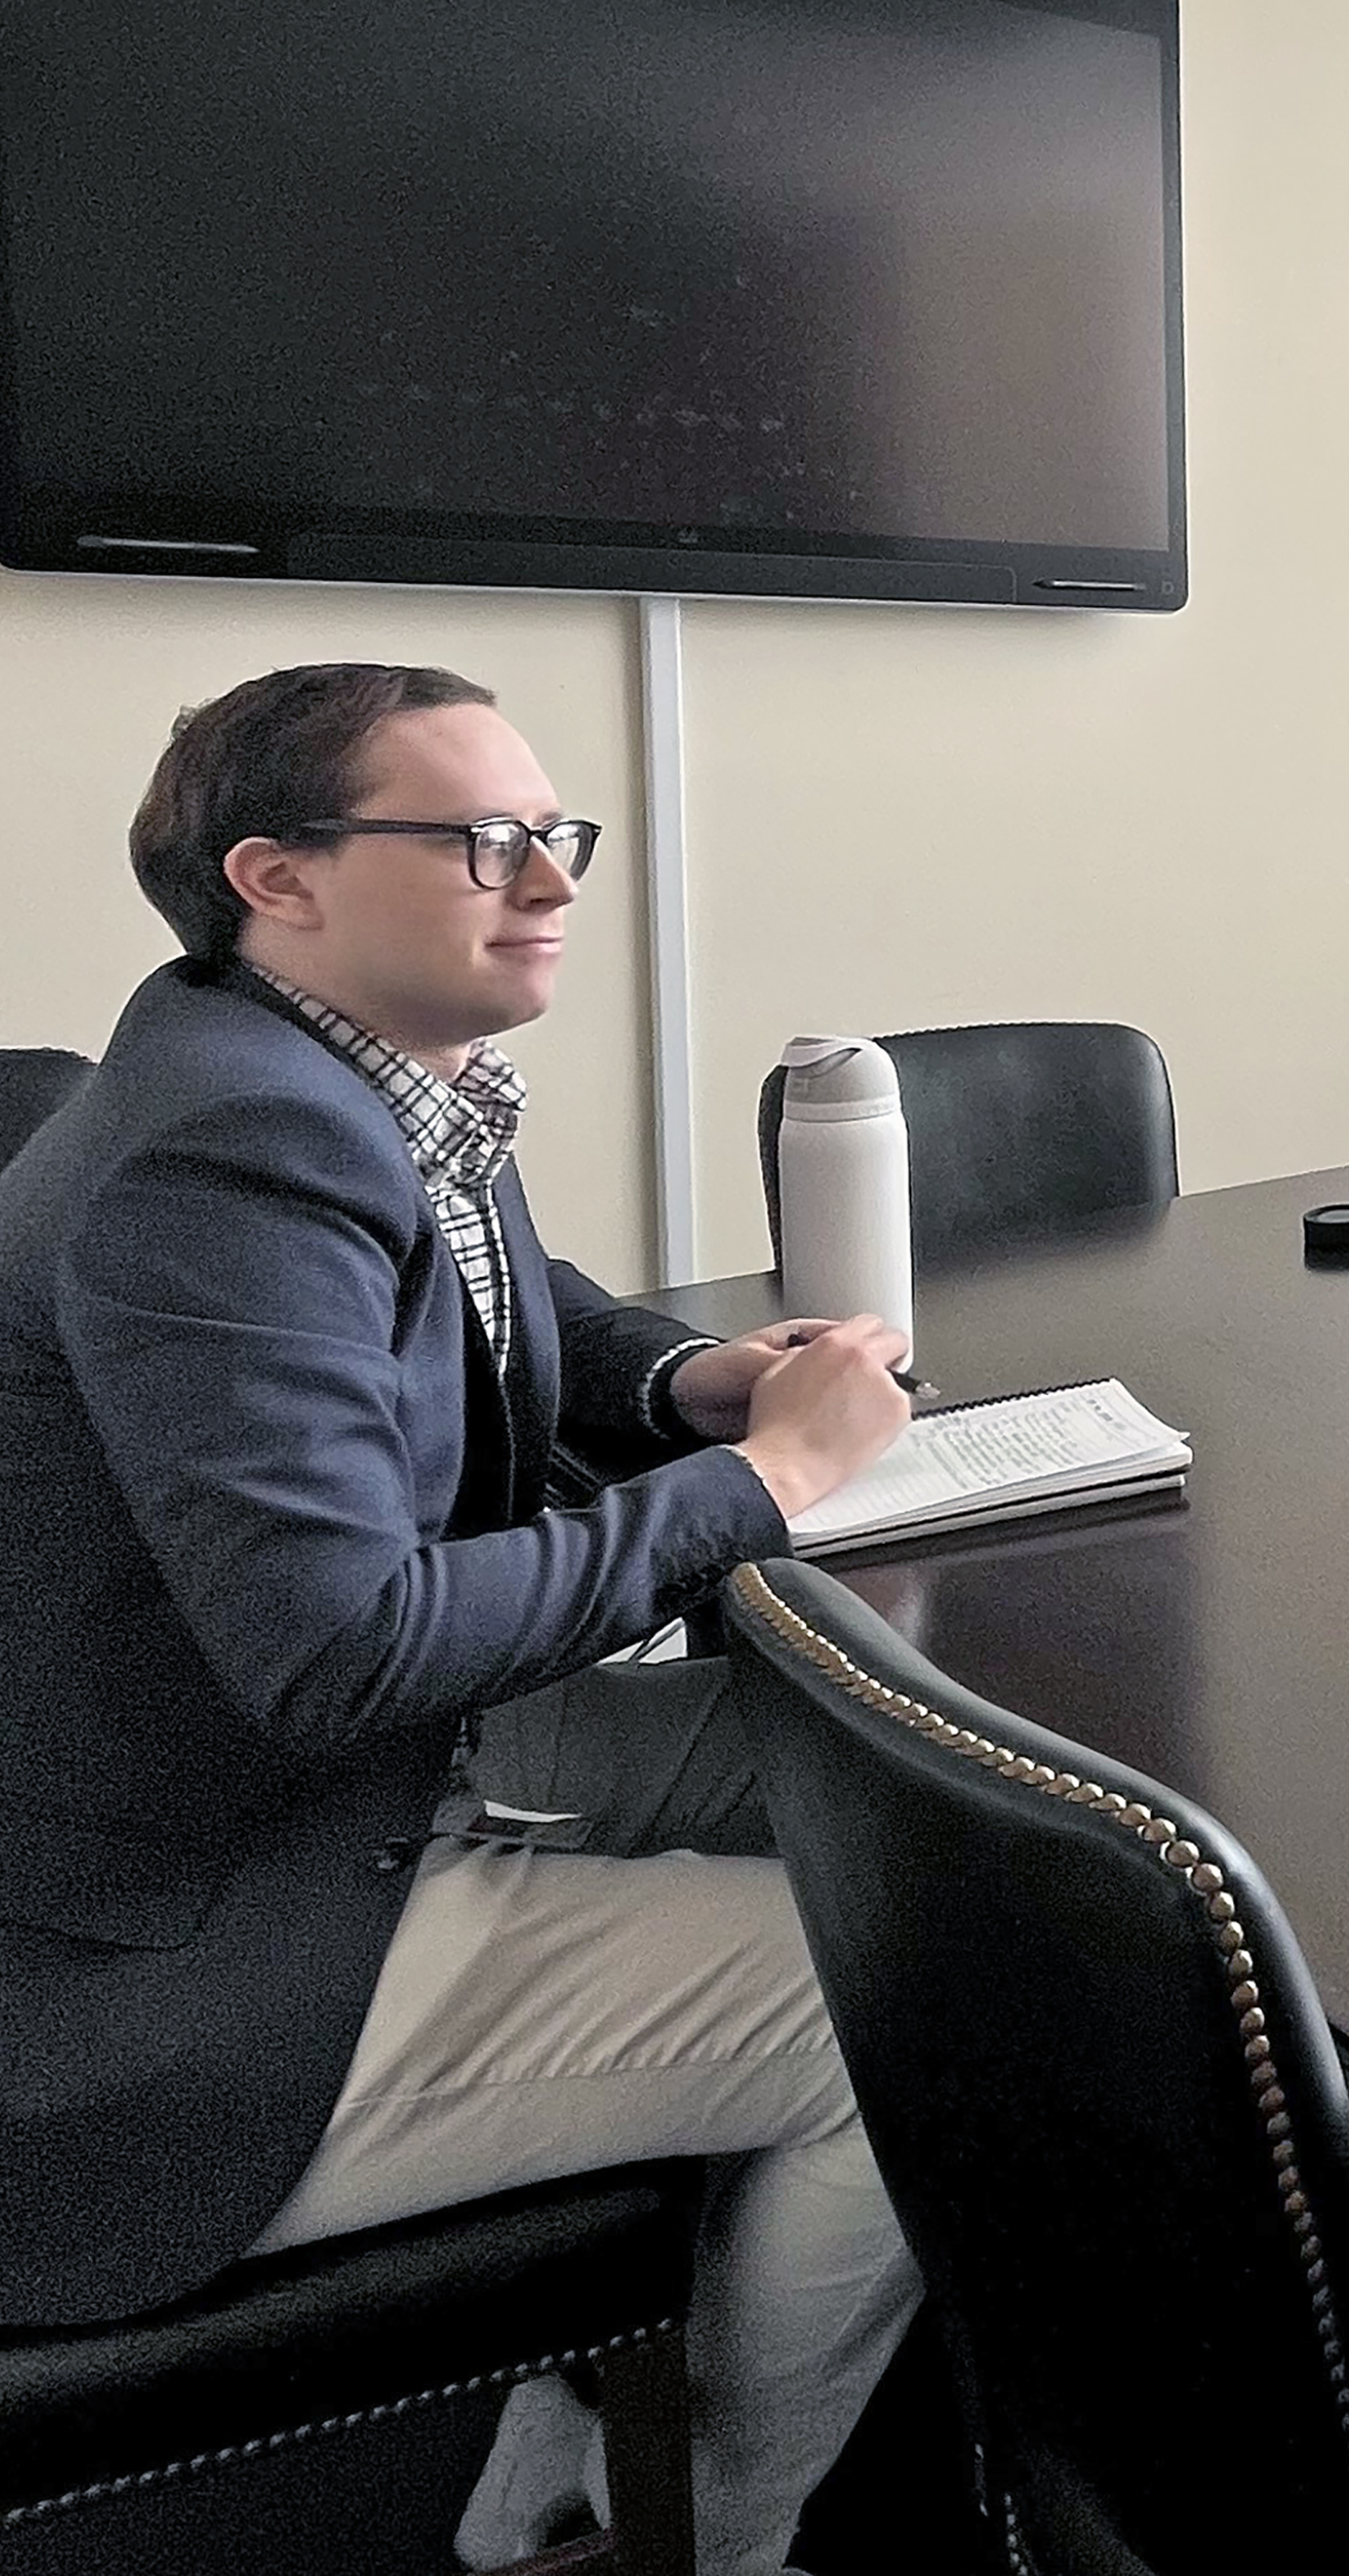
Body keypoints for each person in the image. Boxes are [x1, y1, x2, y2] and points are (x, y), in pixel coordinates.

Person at [0, 666, 926, 2574]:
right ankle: (703, 2535)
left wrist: (688, 1387)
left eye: (555, 833)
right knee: (912, 2000)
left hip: (307, 1788)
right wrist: (773, 1482)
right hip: (179, 1941)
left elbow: (516, 1302)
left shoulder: (308, 1067)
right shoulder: (219, 1154)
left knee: (901, 1794)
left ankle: (553, 2466)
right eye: (482, 840)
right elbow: (342, 1648)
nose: (551, 878)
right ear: (282, 876)